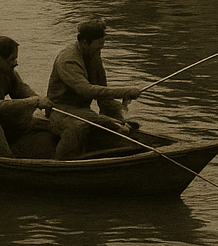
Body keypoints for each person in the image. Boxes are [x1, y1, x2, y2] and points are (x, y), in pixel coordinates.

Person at [46, 19, 146, 160]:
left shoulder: (94, 54)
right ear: (85, 42)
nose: (100, 50)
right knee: (78, 127)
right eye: (98, 46)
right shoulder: (68, 60)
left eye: (102, 46)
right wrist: (125, 91)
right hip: (61, 110)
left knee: (122, 124)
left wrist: (116, 117)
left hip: (83, 111)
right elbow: (86, 90)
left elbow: (103, 92)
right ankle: (62, 162)